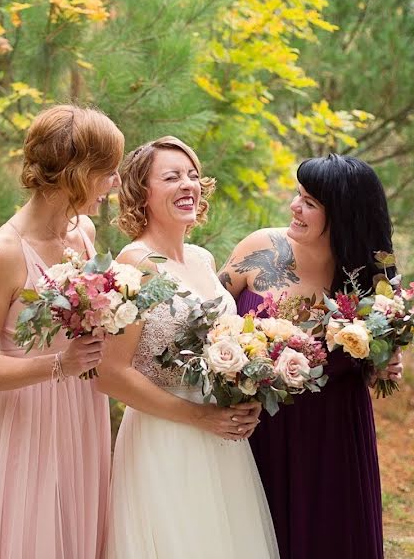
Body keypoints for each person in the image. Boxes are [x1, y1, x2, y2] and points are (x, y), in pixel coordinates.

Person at [96, 136, 278, 559]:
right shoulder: (133, 264)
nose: (188, 185)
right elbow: (110, 374)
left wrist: (243, 397)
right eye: (172, 177)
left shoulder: (202, 259)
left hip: (221, 439)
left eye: (193, 176)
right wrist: (200, 417)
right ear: (142, 193)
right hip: (165, 436)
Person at [0, 105, 123, 559]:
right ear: (75, 173)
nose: (113, 183)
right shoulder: (2, 252)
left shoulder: (83, 232)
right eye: (105, 172)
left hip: (83, 409)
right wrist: (57, 364)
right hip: (26, 419)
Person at [219, 153, 402, 559]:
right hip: (258, 427)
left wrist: (384, 365)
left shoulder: (373, 281)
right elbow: (209, 318)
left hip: (334, 437)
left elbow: (376, 363)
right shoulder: (260, 248)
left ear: (343, 215)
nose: (294, 207)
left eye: (310, 203)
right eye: (297, 194)